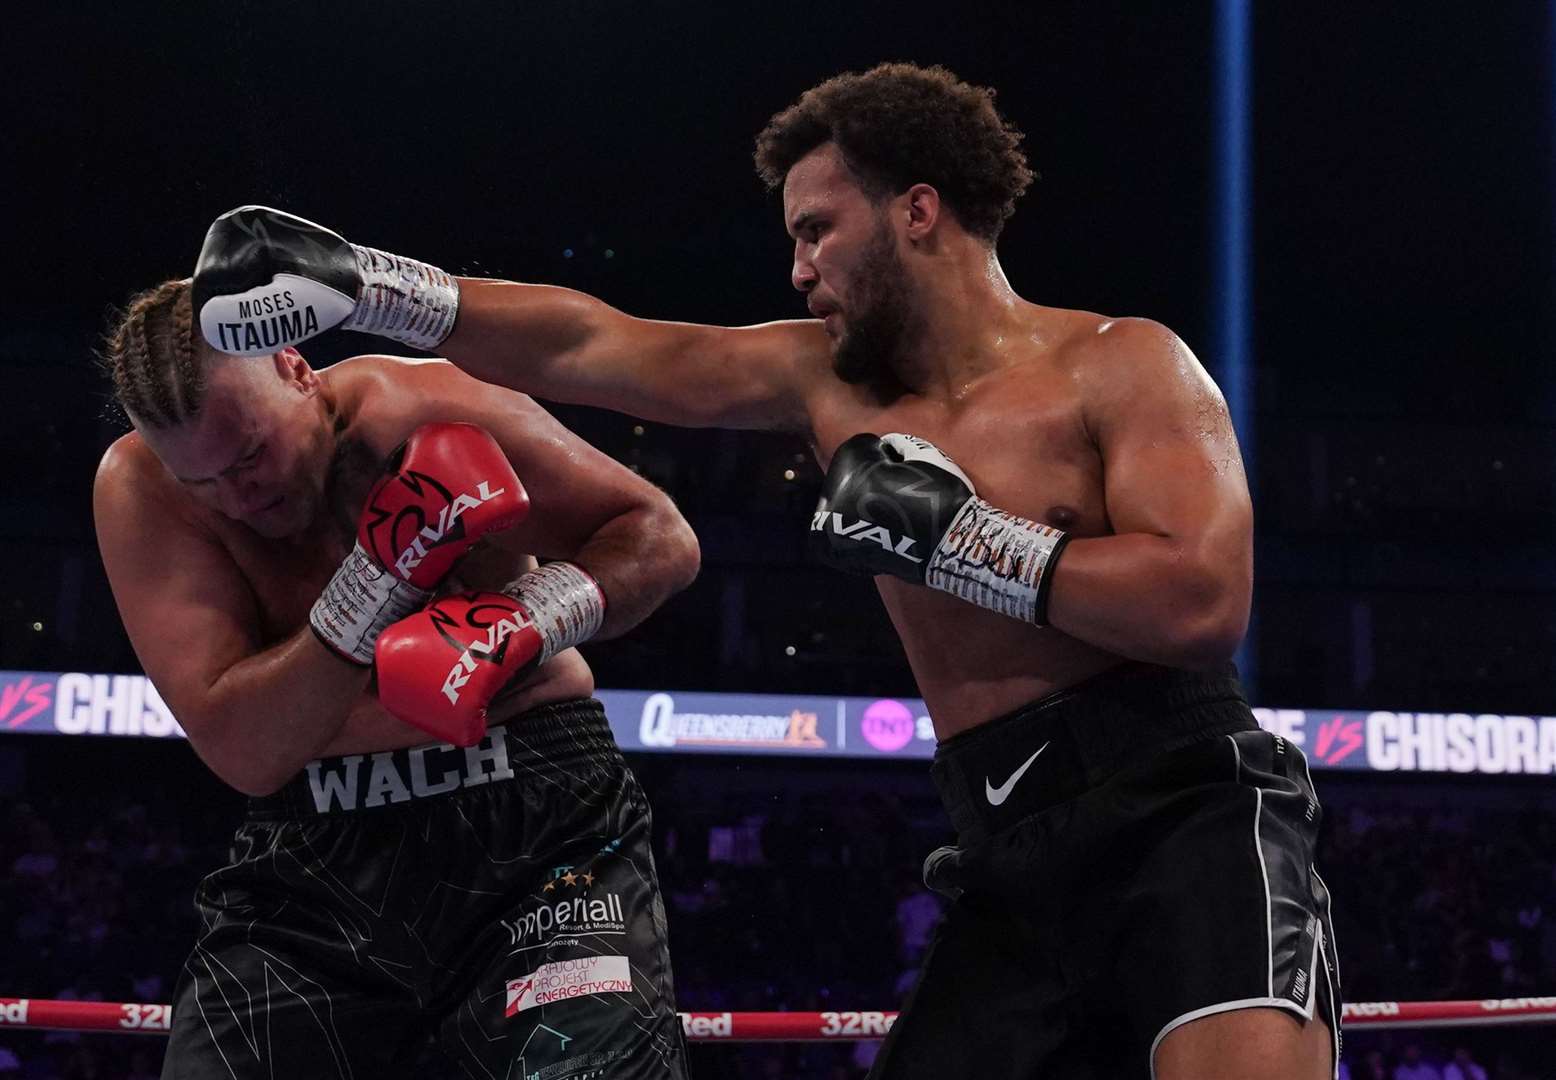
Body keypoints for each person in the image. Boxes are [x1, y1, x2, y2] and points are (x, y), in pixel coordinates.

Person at [193, 61, 1339, 1080]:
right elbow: (593, 345)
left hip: (1184, 808)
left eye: (816, 229)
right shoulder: (822, 381)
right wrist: (364, 283)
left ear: (917, 213)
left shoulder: (1122, 362)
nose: (795, 269)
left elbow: (1199, 601)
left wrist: (963, 541)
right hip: (1003, 851)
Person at [94, 276, 698, 1078]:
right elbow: (244, 747)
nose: (237, 497)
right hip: (316, 856)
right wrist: (376, 580)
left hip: (539, 828)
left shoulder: (423, 408)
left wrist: (525, 621)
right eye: (200, 479)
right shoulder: (140, 489)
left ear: (296, 369)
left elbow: (659, 536)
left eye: (250, 454)